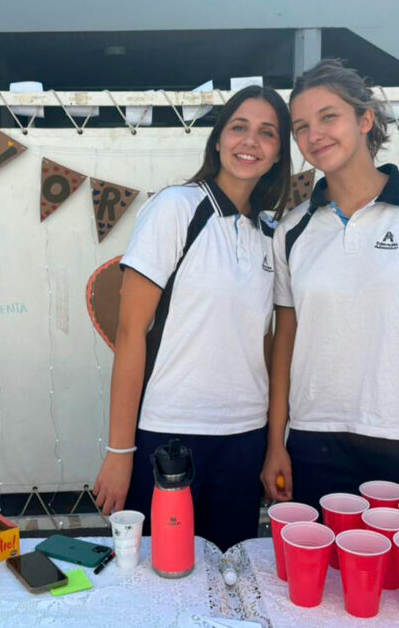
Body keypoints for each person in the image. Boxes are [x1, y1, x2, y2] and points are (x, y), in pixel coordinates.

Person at [261, 59, 399, 511]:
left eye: (329, 117)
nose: (315, 135)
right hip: (316, 438)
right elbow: (284, 342)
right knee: (327, 580)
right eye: (302, 126)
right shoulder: (292, 230)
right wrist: (276, 443)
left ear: (365, 120)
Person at [92, 84, 292, 551]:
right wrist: (120, 453)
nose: (250, 142)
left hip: (245, 438)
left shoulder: (271, 235)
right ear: (218, 138)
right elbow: (130, 331)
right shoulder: (176, 208)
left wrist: (273, 440)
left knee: (228, 573)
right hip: (169, 433)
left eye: (267, 133)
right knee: (160, 581)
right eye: (239, 127)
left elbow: (266, 343)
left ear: (279, 152)